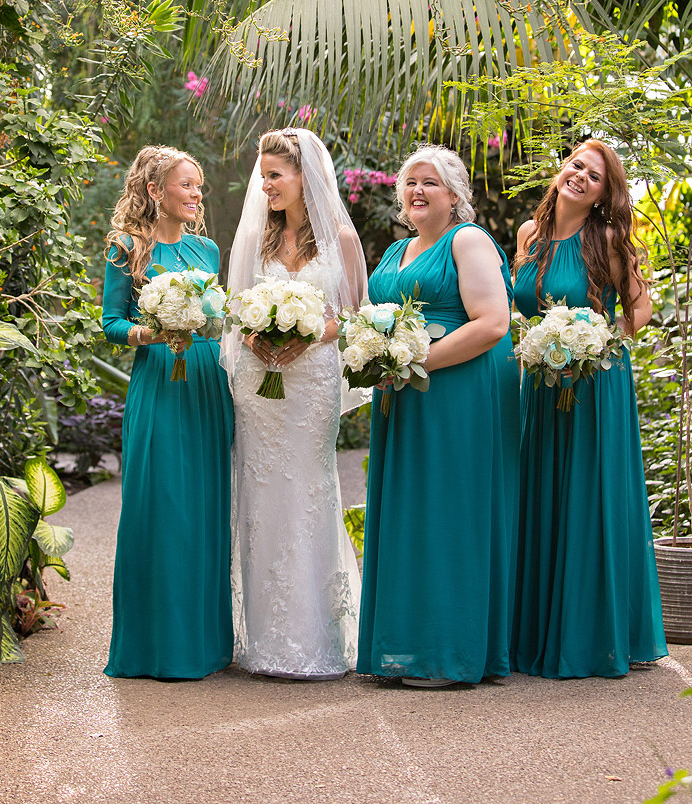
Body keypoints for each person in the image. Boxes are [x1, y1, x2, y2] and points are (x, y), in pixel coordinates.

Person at [357, 145, 517, 687]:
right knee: (409, 515)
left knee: (448, 515)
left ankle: (447, 653)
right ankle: (403, 648)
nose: (418, 191)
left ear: (455, 197)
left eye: (431, 183)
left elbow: (494, 322)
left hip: (453, 396)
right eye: (410, 183)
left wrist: (412, 358)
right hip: (402, 398)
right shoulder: (394, 251)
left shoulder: (466, 240)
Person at [512, 139, 666, 678]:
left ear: (604, 194)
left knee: (590, 496)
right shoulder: (528, 235)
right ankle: (535, 630)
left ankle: (594, 633)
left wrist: (600, 341)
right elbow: (518, 307)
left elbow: (642, 306)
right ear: (563, 168)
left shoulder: (608, 239)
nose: (580, 176)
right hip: (540, 383)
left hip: (596, 384)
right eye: (576, 163)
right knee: (541, 494)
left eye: (594, 175)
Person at [221, 128, 367, 679]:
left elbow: (354, 314)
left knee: (309, 492)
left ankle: (316, 639)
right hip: (259, 387)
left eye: (275, 175)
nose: (266, 186)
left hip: (311, 386)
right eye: (263, 176)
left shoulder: (342, 244)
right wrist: (255, 336)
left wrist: (311, 334)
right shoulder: (258, 239)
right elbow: (236, 306)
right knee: (260, 499)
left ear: (306, 176)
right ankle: (264, 641)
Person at [102, 145, 234, 680]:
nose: (197, 194)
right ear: (155, 190)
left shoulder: (208, 250)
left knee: (202, 508)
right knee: (160, 506)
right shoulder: (125, 248)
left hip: (205, 382)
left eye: (199, 185)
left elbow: (220, 315)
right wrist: (149, 332)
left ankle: (203, 646)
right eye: (187, 185)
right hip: (158, 381)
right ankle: (153, 647)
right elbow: (110, 323)